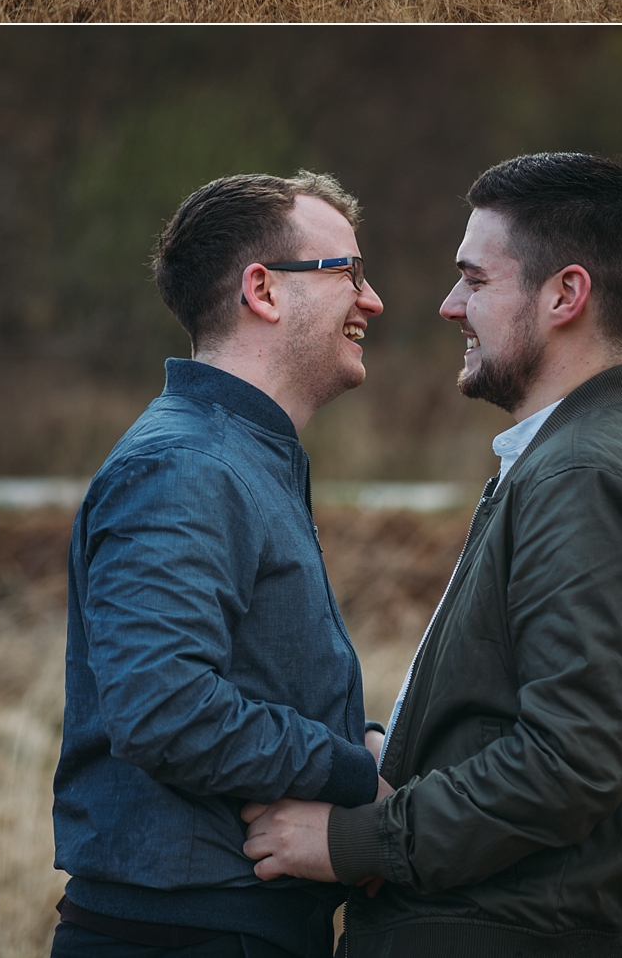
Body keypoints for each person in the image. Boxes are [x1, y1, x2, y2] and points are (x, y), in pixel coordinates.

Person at [242, 151, 622, 958]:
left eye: (475, 280)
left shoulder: (585, 472)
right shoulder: (584, 453)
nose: (448, 305)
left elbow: (572, 758)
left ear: (566, 294)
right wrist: (389, 755)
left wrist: (359, 841)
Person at [52, 171, 390, 958]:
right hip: (183, 935)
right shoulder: (185, 465)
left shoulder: (242, 456)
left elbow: (251, 675)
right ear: (264, 292)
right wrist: (350, 776)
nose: (372, 301)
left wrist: (363, 741)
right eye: (351, 274)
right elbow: (165, 706)